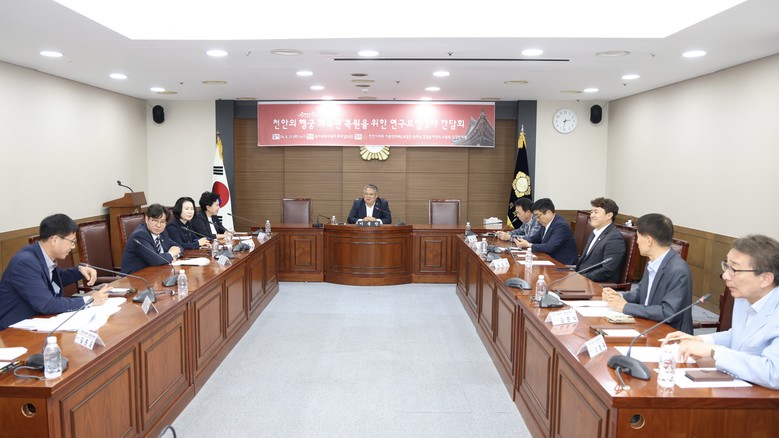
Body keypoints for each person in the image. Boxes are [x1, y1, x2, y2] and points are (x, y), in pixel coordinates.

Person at [663, 235, 779, 389]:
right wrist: (701, 340)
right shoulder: (744, 298)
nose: (725, 276)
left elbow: (773, 373)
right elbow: (739, 336)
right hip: (741, 388)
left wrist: (714, 351)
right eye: (726, 266)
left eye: (734, 269)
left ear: (765, 279)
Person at [0, 214, 107, 329]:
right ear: (55, 240)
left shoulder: (41, 255)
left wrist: (80, 270)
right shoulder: (25, 263)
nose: (73, 247)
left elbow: (57, 278)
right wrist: (89, 300)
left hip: (38, 322)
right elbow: (47, 304)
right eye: (72, 241)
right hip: (13, 331)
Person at [602, 213, 693, 333]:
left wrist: (626, 307)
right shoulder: (653, 261)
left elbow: (668, 313)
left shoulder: (678, 270)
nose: (637, 242)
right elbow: (642, 293)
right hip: (647, 325)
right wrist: (619, 296)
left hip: (668, 334)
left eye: (638, 237)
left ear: (649, 240)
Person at [121, 204, 183, 275]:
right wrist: (171, 254)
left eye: (162, 222)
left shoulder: (163, 232)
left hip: (156, 273)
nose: (158, 225)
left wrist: (174, 256)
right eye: (155, 220)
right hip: (135, 277)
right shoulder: (140, 235)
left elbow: (179, 248)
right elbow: (155, 260)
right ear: (147, 219)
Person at [575, 197, 626, 283]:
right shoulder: (595, 232)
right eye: (591, 212)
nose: (591, 215)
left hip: (596, 284)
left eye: (596, 212)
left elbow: (607, 270)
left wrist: (582, 278)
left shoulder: (614, 239)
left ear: (609, 216)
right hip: (582, 278)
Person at [514, 198, 577, 265]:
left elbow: (549, 247)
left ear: (548, 212)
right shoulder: (545, 223)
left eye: (538, 216)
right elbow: (534, 238)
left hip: (562, 265)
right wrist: (518, 240)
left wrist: (528, 245)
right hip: (548, 259)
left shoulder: (560, 225)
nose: (537, 219)